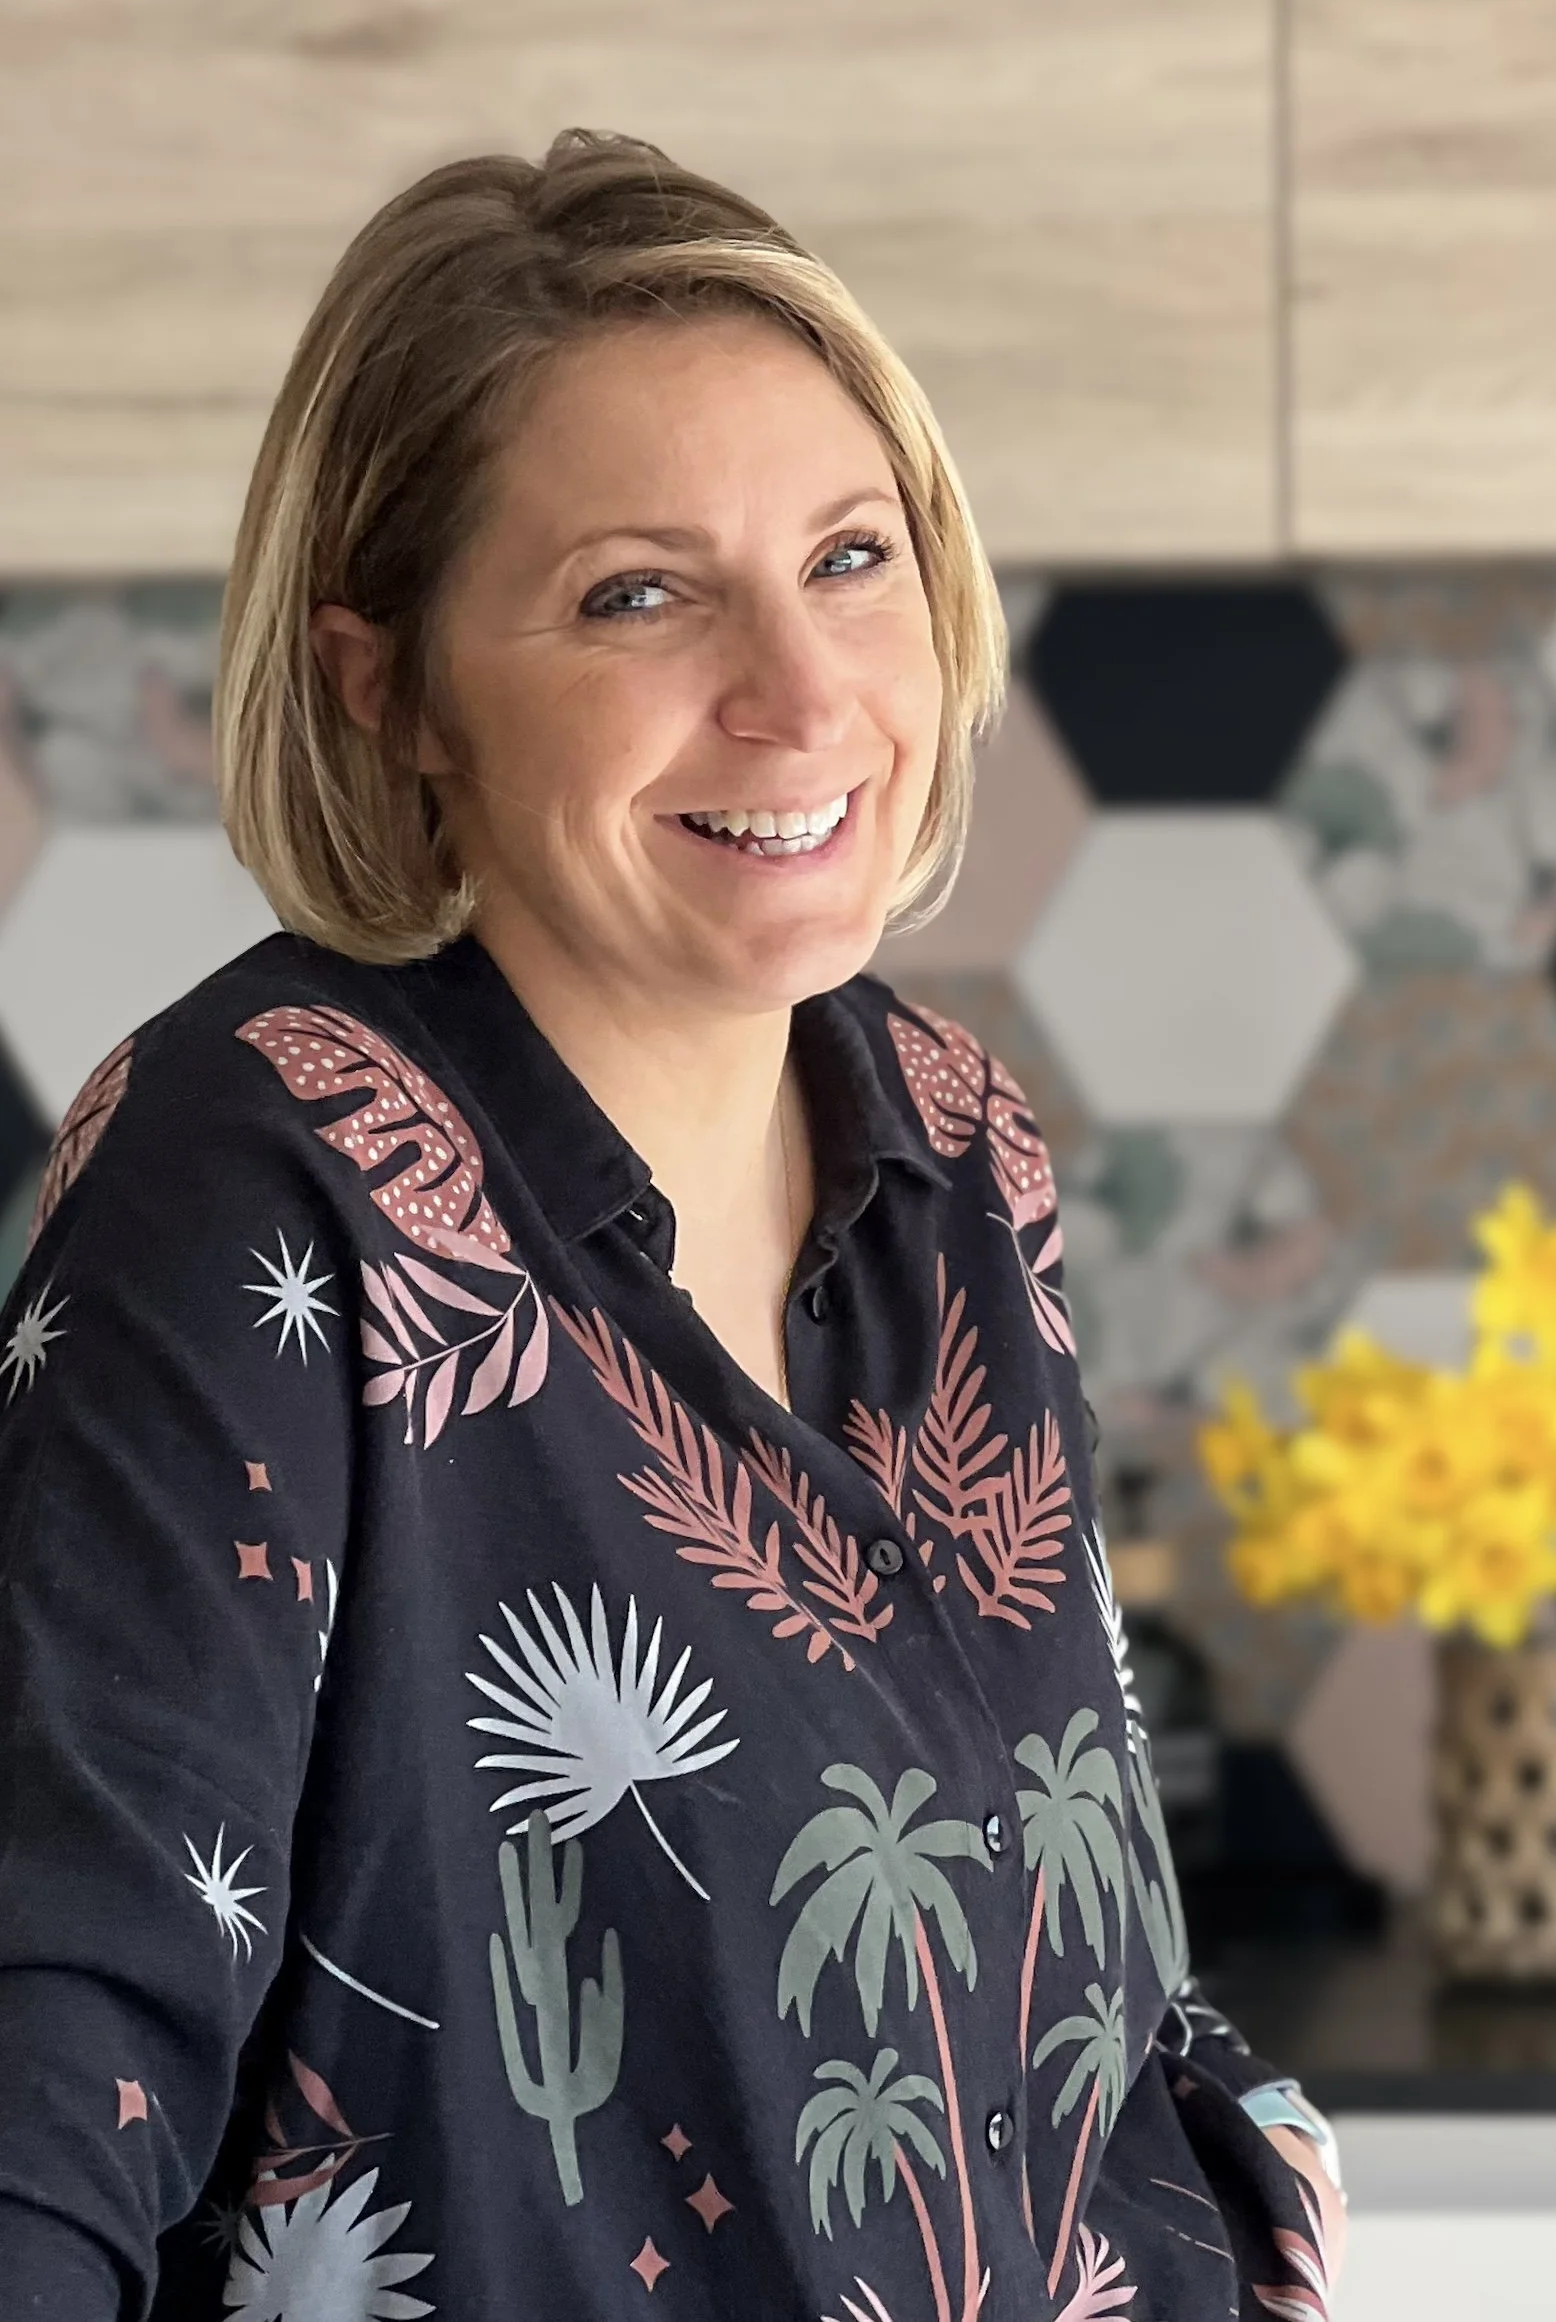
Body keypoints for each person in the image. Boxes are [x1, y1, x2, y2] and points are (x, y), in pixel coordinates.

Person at [0, 129, 1345, 2319]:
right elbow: (57, 2043)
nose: (803, 695)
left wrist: (1217, 2142)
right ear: (391, 687)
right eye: (637, 594)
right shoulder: (265, 1177)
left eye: (849, 555)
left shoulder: (952, 1143)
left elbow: (1049, 1933)